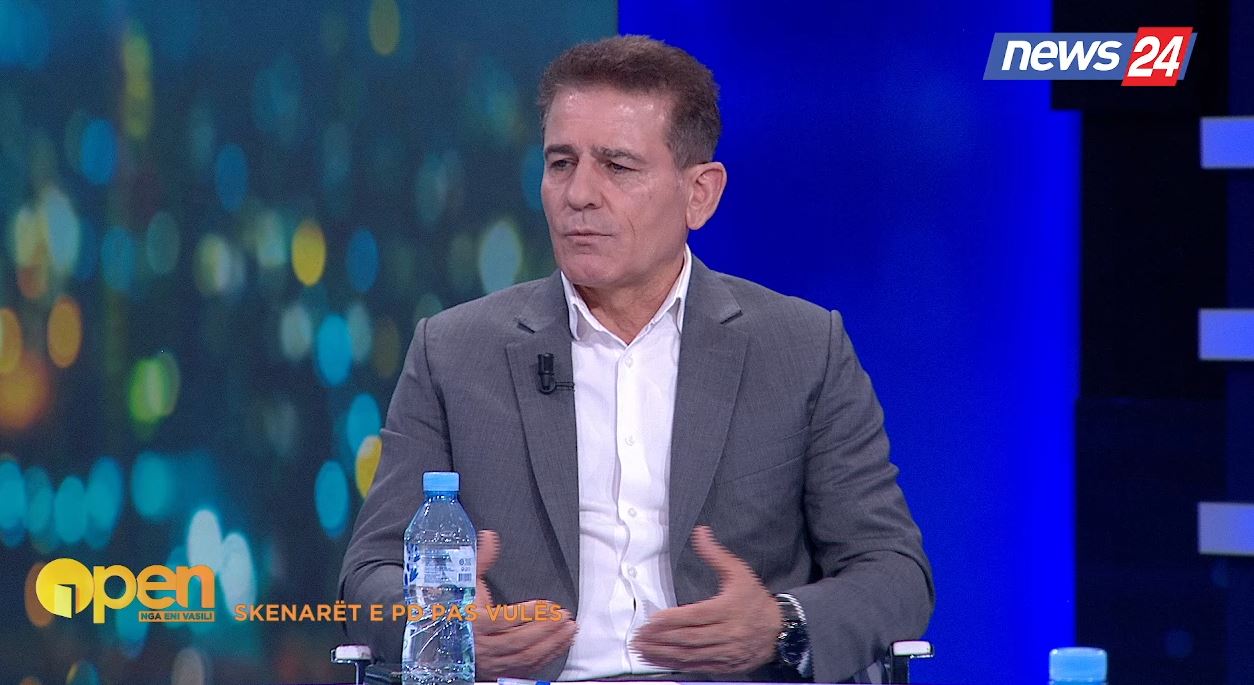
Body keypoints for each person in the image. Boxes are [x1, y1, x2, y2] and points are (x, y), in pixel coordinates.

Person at [339, 35, 933, 683]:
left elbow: (894, 571)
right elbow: (369, 575)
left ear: (700, 193)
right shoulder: (454, 352)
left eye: (617, 166)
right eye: (561, 163)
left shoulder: (802, 348)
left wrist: (780, 625)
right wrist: (443, 625)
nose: (579, 194)